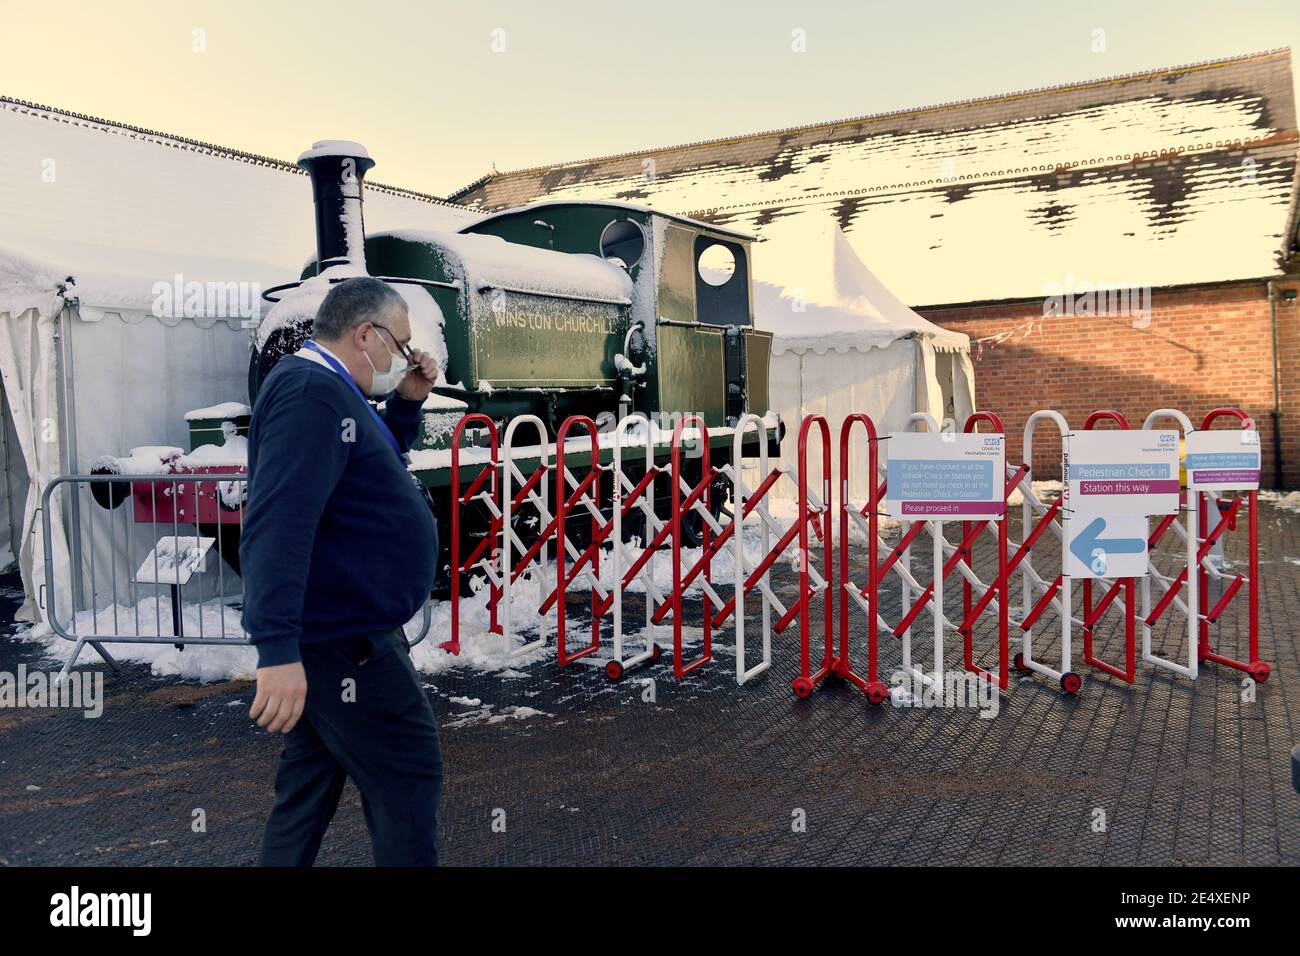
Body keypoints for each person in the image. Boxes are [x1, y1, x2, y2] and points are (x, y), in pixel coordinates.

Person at [240, 276, 443, 866]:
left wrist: (404, 402)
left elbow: (364, 467)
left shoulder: (328, 387)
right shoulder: (311, 394)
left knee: (308, 789)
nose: (406, 354)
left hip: (334, 637)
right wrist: (276, 651)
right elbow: (279, 522)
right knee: (408, 772)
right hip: (344, 641)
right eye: (400, 345)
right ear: (366, 334)